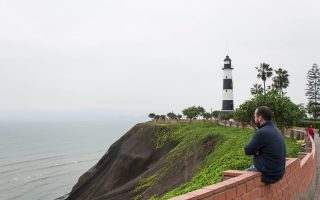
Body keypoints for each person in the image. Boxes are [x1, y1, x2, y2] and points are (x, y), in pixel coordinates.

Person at [244, 106, 286, 184]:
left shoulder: (262, 132)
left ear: (260, 118)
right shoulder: (276, 130)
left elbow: (247, 150)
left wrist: (257, 151)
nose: (254, 119)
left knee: (234, 179)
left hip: (269, 175)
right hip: (279, 174)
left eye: (255, 116)